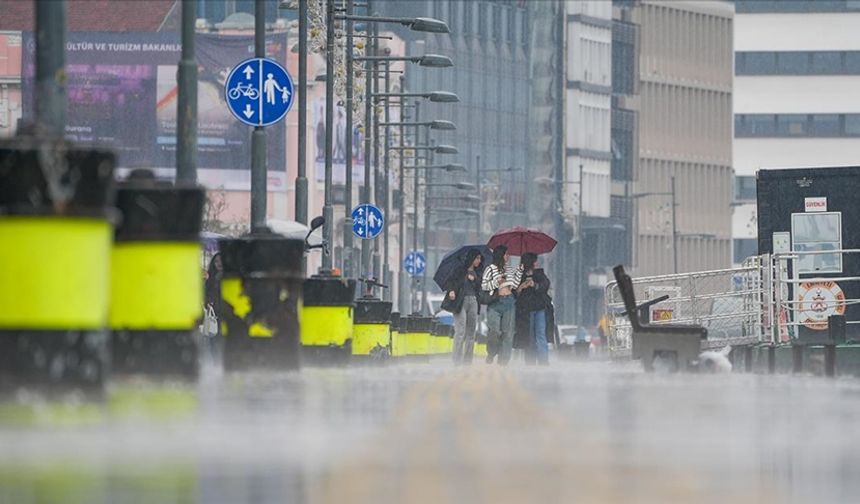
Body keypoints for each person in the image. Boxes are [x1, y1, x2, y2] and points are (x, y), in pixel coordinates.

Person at [481, 245, 522, 365]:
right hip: (495, 302)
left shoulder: (509, 269)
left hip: (509, 301)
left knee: (507, 333)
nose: (508, 256)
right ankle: (492, 352)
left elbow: (514, 285)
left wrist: (519, 271)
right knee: (494, 331)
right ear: (500, 255)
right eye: (506, 254)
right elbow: (484, 286)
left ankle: (504, 361)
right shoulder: (490, 268)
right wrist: (496, 282)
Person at [443, 249, 483, 365]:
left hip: (473, 301)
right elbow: (450, 281)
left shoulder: (478, 272)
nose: (479, 261)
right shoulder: (459, 270)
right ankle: (456, 360)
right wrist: (451, 291)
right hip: (460, 302)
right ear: (472, 258)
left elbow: (481, 287)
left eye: (480, 259)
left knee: (471, 332)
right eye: (477, 258)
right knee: (460, 331)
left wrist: (474, 279)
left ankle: (468, 361)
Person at [514, 253, 552, 365]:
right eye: (534, 261)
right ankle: (530, 361)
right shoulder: (519, 276)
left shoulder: (539, 274)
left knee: (540, 334)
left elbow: (545, 285)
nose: (536, 263)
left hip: (539, 308)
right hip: (526, 311)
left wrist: (534, 284)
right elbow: (514, 293)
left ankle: (543, 361)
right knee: (529, 336)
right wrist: (521, 287)